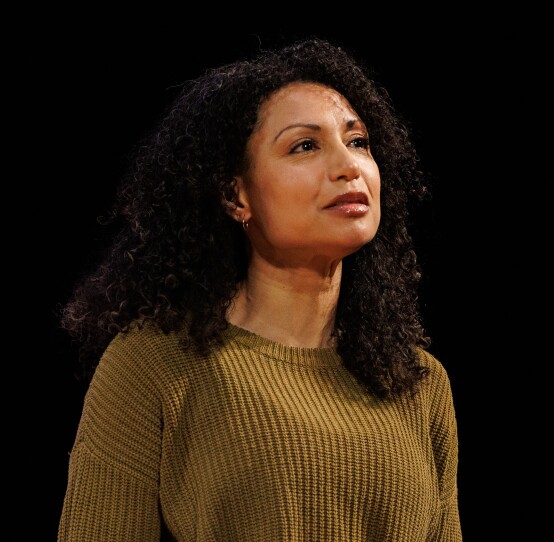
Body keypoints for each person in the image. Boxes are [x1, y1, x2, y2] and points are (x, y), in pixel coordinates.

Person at [56, 38, 462, 541]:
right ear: (235, 195)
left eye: (358, 142)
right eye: (305, 146)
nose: (348, 165)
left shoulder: (420, 384)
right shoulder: (155, 364)